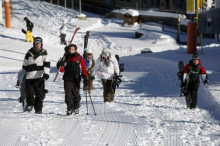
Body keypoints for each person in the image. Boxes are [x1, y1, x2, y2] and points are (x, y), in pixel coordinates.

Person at [57, 44, 88, 116]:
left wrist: (85, 77)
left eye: (72, 49)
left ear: (75, 50)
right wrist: (59, 64)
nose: (70, 51)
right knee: (68, 94)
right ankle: (69, 108)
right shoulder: (66, 58)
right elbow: (61, 70)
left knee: (75, 94)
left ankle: (76, 106)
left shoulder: (79, 58)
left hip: (76, 79)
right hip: (67, 79)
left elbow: (83, 68)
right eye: (70, 49)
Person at [22, 37, 50, 114]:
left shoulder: (44, 53)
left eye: (39, 43)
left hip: (39, 77)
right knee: (30, 92)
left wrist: (46, 73)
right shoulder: (29, 53)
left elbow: (47, 65)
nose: (38, 45)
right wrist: (24, 73)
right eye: (36, 43)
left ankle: (38, 109)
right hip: (29, 77)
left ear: (41, 44)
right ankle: (30, 104)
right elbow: (24, 64)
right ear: (34, 43)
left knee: (39, 94)